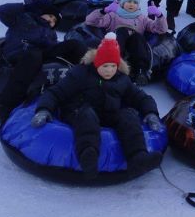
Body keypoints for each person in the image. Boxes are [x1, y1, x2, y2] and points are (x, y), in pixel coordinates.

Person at [31, 34, 164, 180]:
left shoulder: (122, 79)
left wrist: (151, 113)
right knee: (87, 115)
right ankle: (88, 156)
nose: (109, 70)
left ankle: (138, 158)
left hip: (108, 114)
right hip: (79, 112)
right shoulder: (80, 74)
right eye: (105, 66)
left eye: (113, 66)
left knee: (128, 116)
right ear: (97, 63)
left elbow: (141, 97)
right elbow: (56, 92)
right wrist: (44, 109)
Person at [0, 1, 87, 123]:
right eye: (50, 16)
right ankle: (6, 107)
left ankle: (88, 78)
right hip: (20, 52)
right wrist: (26, 7)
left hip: (41, 54)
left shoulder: (50, 33)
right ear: (42, 13)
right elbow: (1, 11)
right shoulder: (23, 18)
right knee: (33, 54)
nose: (51, 21)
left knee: (75, 44)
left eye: (54, 21)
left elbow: (53, 47)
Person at [85, 0, 168, 85]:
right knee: (121, 31)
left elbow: (161, 29)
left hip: (135, 47)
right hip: (118, 44)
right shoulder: (114, 15)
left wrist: (159, 16)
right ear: (123, 3)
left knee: (137, 37)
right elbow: (90, 21)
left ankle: (140, 72)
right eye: (129, 1)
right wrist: (104, 10)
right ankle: (116, 67)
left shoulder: (142, 18)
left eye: (135, 2)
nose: (131, 4)